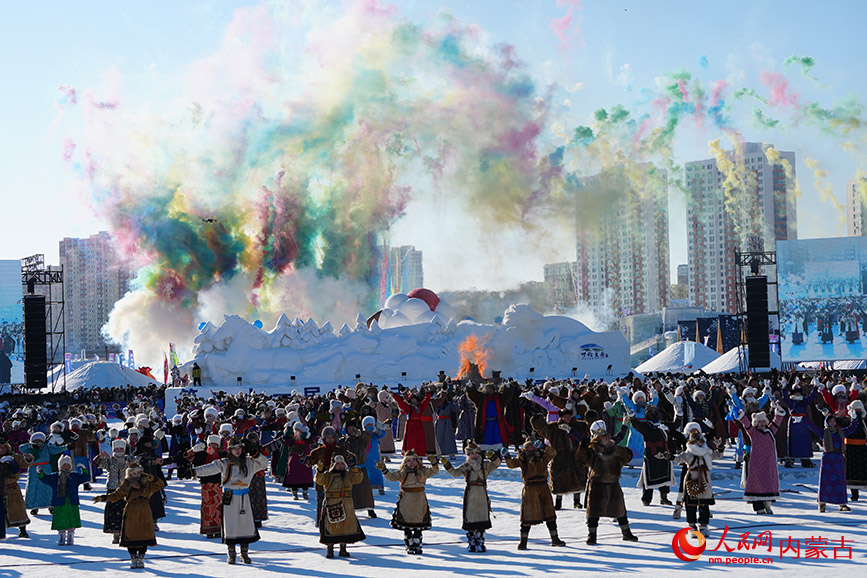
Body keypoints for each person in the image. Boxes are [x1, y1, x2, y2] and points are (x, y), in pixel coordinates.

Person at [194, 438, 269, 564]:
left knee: (245, 525)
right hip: (229, 496)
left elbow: (264, 463)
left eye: (239, 448)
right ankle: (231, 553)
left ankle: (244, 553)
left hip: (244, 496)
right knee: (230, 524)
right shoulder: (224, 463)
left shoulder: (250, 462)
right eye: (234, 449)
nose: (237, 451)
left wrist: (255, 453)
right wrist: (194, 471)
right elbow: (209, 468)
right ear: (229, 450)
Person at [575, 419, 638, 545]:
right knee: (593, 512)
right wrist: (582, 447)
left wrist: (616, 449)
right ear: (598, 440)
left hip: (613, 485)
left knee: (620, 510)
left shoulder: (615, 452)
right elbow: (581, 459)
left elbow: (628, 456)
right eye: (605, 439)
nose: (608, 440)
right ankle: (592, 535)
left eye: (608, 438)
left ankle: (626, 533)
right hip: (597, 486)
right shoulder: (593, 452)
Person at [93, 461, 166, 568]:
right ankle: (133, 557)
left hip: (145, 510)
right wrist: (104, 497)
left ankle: (141, 557)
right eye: (134, 474)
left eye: (138, 473)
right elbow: (116, 495)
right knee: (131, 535)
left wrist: (154, 478)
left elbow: (161, 484)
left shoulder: (148, 484)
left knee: (144, 534)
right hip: (131, 510)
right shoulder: (126, 485)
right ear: (130, 474)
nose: (137, 475)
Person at [504, 440, 565, 550]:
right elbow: (511, 464)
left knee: (549, 514)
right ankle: (523, 542)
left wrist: (544, 446)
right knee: (527, 515)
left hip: (543, 487)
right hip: (530, 489)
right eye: (529, 447)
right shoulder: (522, 459)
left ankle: (555, 539)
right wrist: (507, 456)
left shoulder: (543, 456)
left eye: (534, 446)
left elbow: (553, 453)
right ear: (525, 448)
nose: (532, 448)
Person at [441, 442, 501, 552]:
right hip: (471, 494)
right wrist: (447, 464)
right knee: (471, 517)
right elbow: (455, 473)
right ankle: (472, 541)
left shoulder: (485, 465)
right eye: (471, 453)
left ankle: (481, 541)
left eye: (476, 453)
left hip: (482, 493)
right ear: (468, 455)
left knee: (482, 516)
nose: (474, 455)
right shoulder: (466, 467)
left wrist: (493, 457)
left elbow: (497, 464)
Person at [376, 451, 439, 555]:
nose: (412, 463)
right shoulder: (402, 472)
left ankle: (417, 544)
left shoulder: (423, 471)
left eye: (414, 460)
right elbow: (391, 477)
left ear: (418, 461)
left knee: (419, 524)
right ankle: (409, 544)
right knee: (407, 525)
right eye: (409, 461)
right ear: (405, 463)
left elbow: (434, 470)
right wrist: (384, 469)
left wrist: (434, 462)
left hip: (419, 501)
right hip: (406, 501)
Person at [805, 412, 863, 512]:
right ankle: (822, 503)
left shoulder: (840, 432)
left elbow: (851, 429)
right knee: (825, 481)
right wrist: (801, 418)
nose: (832, 423)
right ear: (827, 423)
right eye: (830, 421)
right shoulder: (823, 432)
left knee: (840, 481)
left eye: (834, 421)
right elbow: (811, 426)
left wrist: (854, 420)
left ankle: (842, 504)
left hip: (838, 458)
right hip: (827, 459)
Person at [672, 427, 724, 537]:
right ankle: (692, 525)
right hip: (692, 480)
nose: (699, 443)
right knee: (691, 504)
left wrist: (720, 447)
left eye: (701, 441)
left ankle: (704, 525)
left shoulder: (707, 453)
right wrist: (670, 456)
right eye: (696, 442)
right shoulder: (688, 454)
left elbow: (718, 455)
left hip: (705, 480)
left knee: (704, 505)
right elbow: (678, 459)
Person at [738, 403, 786, 514]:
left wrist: (778, 410)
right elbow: (746, 424)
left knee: (768, 483)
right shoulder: (753, 433)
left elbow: (777, 420)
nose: (762, 424)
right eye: (759, 422)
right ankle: (758, 507)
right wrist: (741, 416)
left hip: (768, 463)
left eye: (763, 421)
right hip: (756, 464)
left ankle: (767, 505)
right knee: (757, 484)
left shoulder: (770, 431)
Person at [315, 455, 366, 558]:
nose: (340, 466)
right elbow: (319, 481)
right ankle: (330, 549)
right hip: (331, 503)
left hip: (347, 503)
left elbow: (358, 479)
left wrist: (356, 470)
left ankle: (343, 549)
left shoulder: (348, 475)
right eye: (338, 464)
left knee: (345, 526)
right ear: (334, 465)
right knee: (331, 526)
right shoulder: (328, 475)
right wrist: (320, 471)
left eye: (342, 463)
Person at [37, 455, 89, 545]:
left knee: (71, 519)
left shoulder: (74, 476)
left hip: (72, 502)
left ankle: (70, 536)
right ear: (60, 466)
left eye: (68, 465)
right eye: (64, 465)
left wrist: (84, 469)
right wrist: (40, 473)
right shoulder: (55, 477)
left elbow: (85, 478)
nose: (66, 467)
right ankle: (61, 536)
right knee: (61, 519)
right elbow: (45, 479)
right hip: (59, 502)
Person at [93, 439, 132, 543]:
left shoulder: (129, 459)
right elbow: (97, 464)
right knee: (113, 512)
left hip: (126, 489)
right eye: (117, 449)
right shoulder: (109, 460)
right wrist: (99, 457)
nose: (119, 450)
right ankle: (116, 534)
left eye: (121, 449)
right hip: (112, 488)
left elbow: (138, 467)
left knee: (126, 511)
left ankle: (126, 533)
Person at [19, 432, 64, 516]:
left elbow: (55, 450)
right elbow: (21, 448)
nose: (37, 442)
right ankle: (34, 506)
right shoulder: (30, 448)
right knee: (33, 487)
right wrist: (30, 445)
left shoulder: (46, 448)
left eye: (39, 440)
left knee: (48, 486)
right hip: (33, 468)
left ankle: (51, 505)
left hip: (46, 467)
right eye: (35, 440)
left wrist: (64, 447)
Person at [188, 435, 223, 538]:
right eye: (211, 444)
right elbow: (191, 460)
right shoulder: (202, 455)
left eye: (215, 444)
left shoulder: (222, 455)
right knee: (208, 506)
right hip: (206, 484)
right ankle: (208, 529)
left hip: (219, 483)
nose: (213, 446)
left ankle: (218, 528)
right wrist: (194, 450)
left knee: (218, 506)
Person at [0, 448, 21, 540]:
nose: (1, 449)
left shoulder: (5, 461)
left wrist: (12, 461)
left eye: (3, 447)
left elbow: (14, 470)